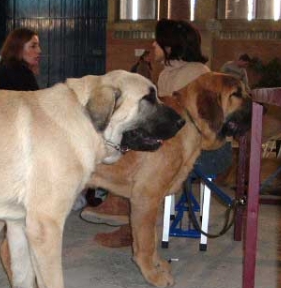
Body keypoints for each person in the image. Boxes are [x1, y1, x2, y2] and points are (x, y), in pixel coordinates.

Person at [82, 19, 230, 248]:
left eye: (158, 42)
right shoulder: (166, 74)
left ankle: (126, 214)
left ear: (169, 47)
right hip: (174, 143)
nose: (153, 45)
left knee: (143, 160)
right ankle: (122, 206)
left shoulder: (198, 74)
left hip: (200, 149)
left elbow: (191, 126)